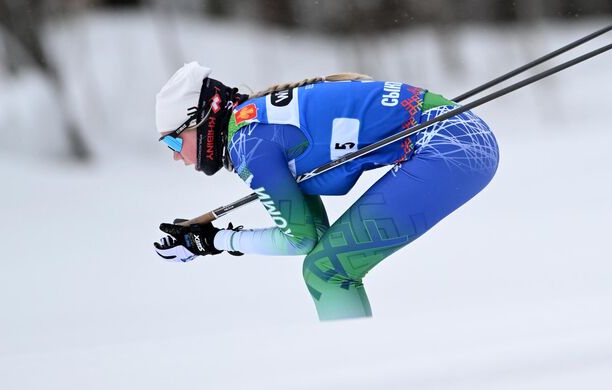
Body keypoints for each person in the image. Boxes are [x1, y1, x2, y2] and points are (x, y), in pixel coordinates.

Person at [152, 62, 499, 320]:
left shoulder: (249, 144)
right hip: (458, 134)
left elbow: (300, 241)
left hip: (452, 147)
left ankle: (352, 368)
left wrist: (219, 241)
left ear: (200, 120)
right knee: (326, 265)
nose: (174, 156)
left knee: (326, 272)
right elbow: (314, 232)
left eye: (173, 141)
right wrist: (212, 240)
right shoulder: (253, 121)